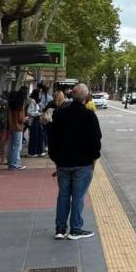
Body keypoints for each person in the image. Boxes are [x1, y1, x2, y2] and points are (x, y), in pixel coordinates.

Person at [49, 83, 101, 240]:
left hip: (63, 163)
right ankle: (75, 229)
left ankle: (60, 229)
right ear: (85, 97)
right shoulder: (89, 115)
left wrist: (55, 158)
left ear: (72, 95)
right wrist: (94, 158)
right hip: (83, 163)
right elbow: (96, 140)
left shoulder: (59, 114)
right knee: (78, 197)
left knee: (63, 195)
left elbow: (52, 138)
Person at [7, 89, 28, 170]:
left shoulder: (11, 103)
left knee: (10, 145)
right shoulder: (20, 104)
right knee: (17, 146)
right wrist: (25, 119)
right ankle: (15, 163)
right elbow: (20, 118)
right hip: (18, 127)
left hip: (11, 126)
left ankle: (10, 162)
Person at [27, 89, 45, 157]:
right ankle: (32, 152)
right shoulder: (32, 102)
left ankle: (39, 151)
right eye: (39, 94)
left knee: (40, 135)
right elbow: (29, 112)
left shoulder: (37, 102)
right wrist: (39, 114)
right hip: (33, 121)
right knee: (34, 136)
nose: (40, 95)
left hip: (37, 120)